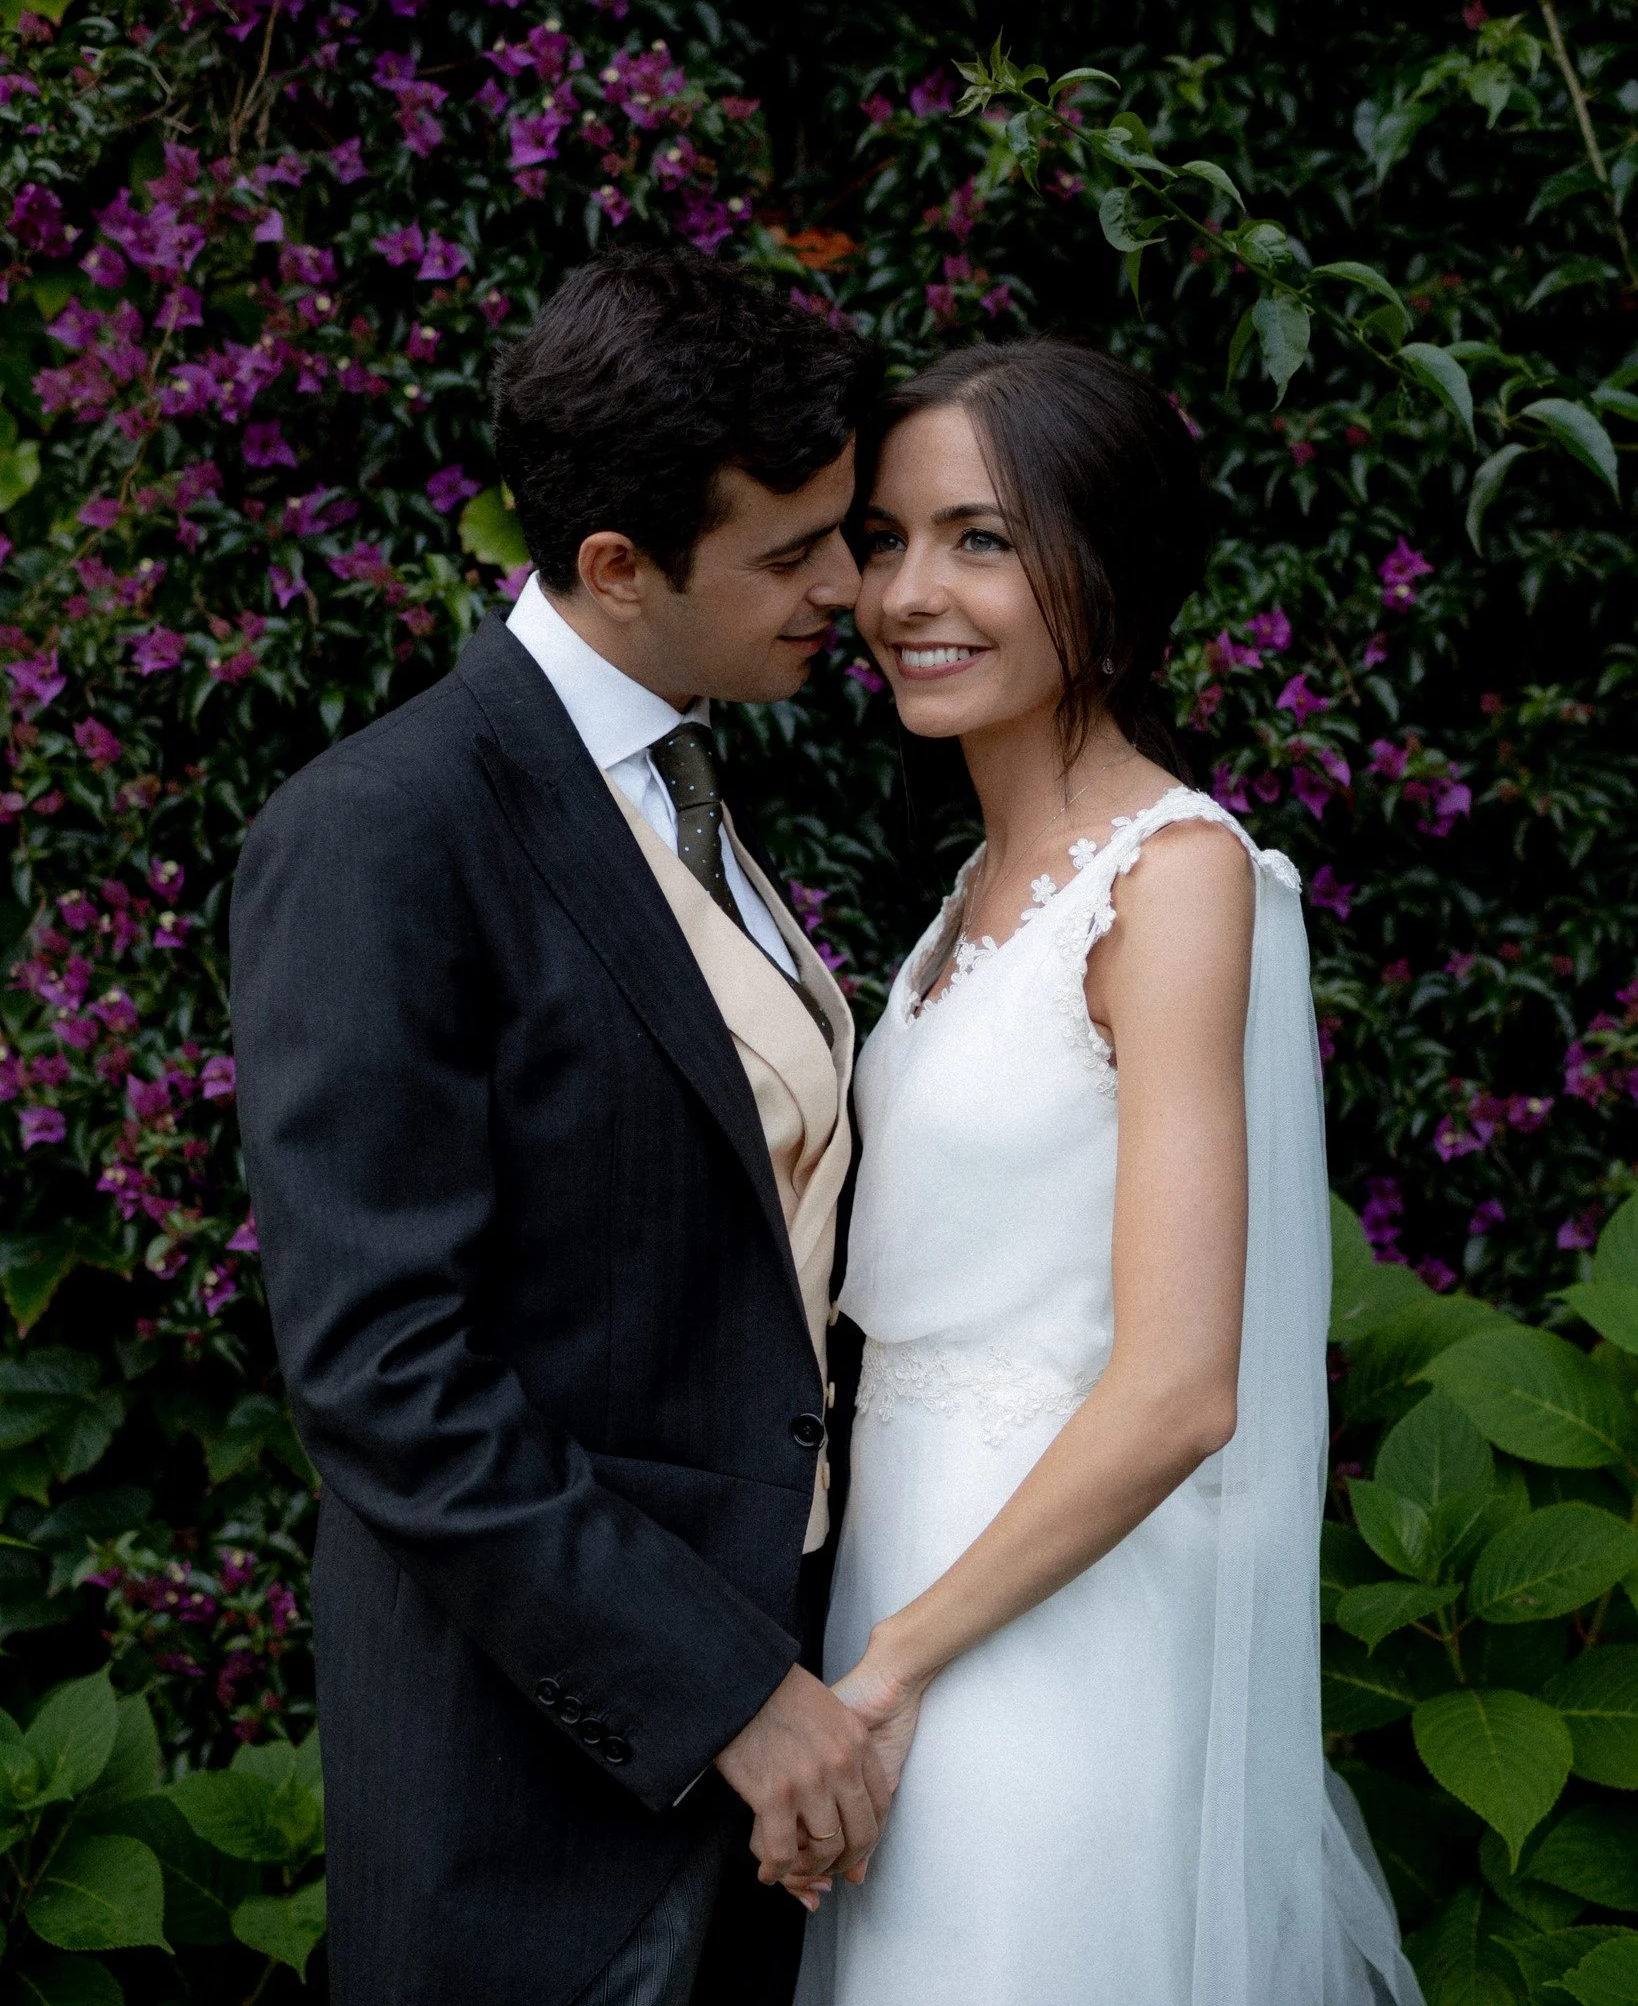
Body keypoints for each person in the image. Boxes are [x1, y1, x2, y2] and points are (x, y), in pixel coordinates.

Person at [231, 247, 890, 2006]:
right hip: (525, 1773)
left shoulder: (683, 773)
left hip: (780, 1731)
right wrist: (725, 1693)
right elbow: (384, 1373)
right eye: (791, 551)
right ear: (614, 569)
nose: (848, 582)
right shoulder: (384, 827)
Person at [793, 341, 1424, 2006]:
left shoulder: (1181, 877)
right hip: (900, 1596)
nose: (908, 590)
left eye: (980, 538)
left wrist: (890, 1670)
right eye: (883, 535)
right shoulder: (966, 899)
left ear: (1114, 581)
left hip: (1040, 1647)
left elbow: (1175, 1392)